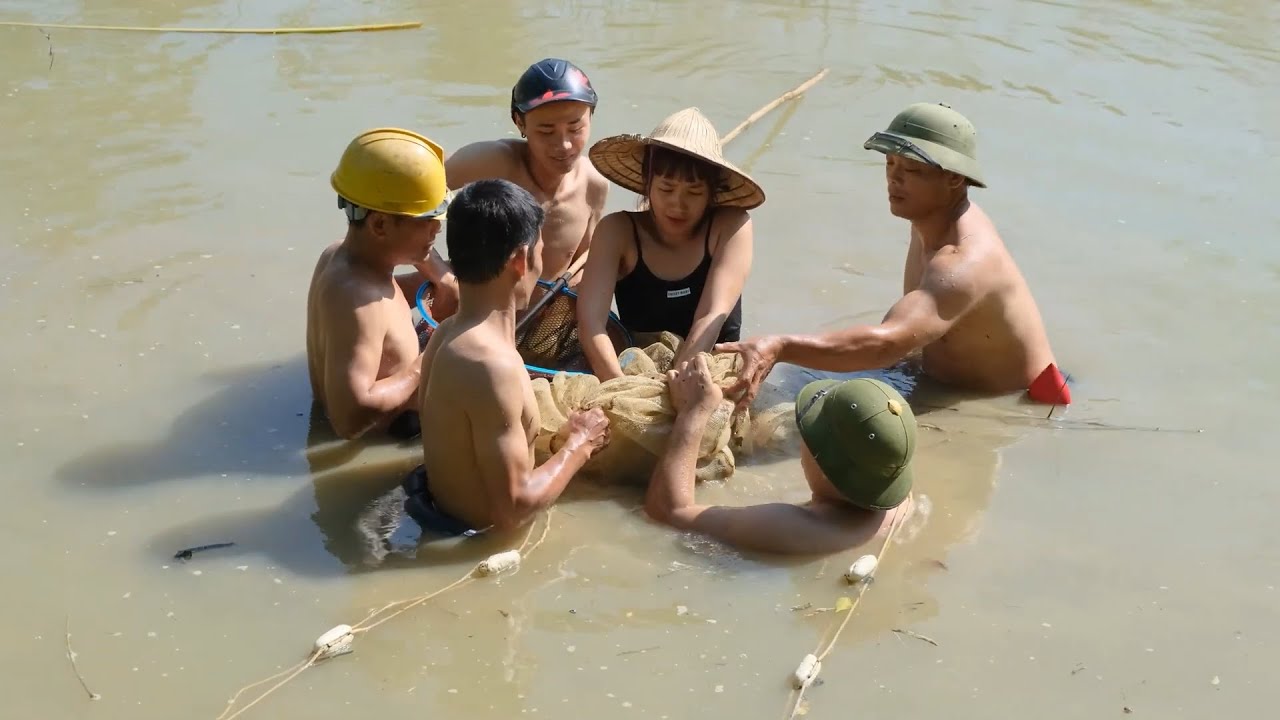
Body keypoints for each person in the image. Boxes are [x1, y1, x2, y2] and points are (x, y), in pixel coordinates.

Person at [717, 102, 1068, 412]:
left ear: (954, 179)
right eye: (889, 163)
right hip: (936, 380)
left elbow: (889, 343)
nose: (894, 178)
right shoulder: (928, 219)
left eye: (912, 170)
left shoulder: (963, 262)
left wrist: (781, 345)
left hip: (1006, 406)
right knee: (795, 386)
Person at [409, 179, 611, 536]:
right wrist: (580, 445)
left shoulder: (445, 333)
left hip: (439, 518)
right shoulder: (491, 366)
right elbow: (513, 512)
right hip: (476, 544)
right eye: (540, 249)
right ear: (520, 259)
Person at [643, 356, 916, 555]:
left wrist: (694, 412)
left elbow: (668, 511)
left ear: (822, 461)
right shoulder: (898, 498)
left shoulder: (793, 528)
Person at [576, 107, 765, 380]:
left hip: (711, 363)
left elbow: (711, 315)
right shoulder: (617, 231)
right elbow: (591, 325)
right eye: (666, 189)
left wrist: (679, 384)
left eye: (694, 192)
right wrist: (621, 388)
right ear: (646, 183)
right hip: (639, 367)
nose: (678, 204)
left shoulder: (731, 226)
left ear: (712, 193)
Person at [422, 58, 610, 318]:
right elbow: (407, 193)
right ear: (519, 122)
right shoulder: (493, 161)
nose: (564, 144)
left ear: (591, 116)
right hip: (471, 318)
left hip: (536, 326)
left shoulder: (595, 185)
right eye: (546, 131)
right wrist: (439, 274)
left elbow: (582, 266)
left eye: (576, 128)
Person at [306, 127, 450, 440]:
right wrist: (427, 360)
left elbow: (389, 305)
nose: (437, 229)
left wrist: (447, 278)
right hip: (388, 439)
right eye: (427, 219)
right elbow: (350, 417)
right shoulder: (360, 299)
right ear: (381, 224)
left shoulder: (341, 258)